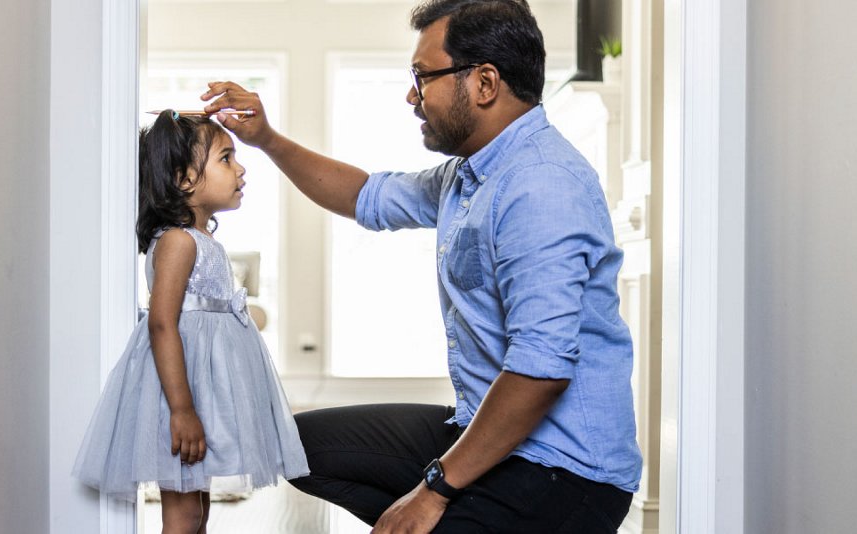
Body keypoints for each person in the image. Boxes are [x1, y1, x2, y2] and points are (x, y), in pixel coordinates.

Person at [199, 0, 641, 531]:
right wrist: (266, 139)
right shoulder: (470, 175)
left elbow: (539, 371)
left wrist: (432, 492)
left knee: (424, 508)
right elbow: (367, 195)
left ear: (484, 82)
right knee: (295, 445)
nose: (413, 94)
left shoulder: (542, 184)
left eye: (423, 76)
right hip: (484, 437)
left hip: (563, 473)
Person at [72, 111, 309, 533]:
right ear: (184, 180)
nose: (241, 168)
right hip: (179, 395)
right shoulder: (178, 242)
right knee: (182, 514)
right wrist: (181, 410)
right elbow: (162, 323)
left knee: (197, 510)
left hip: (203, 391)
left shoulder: (203, 240)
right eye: (225, 158)